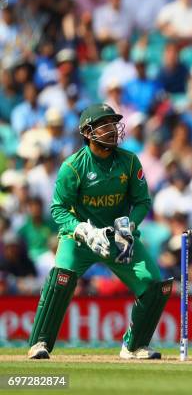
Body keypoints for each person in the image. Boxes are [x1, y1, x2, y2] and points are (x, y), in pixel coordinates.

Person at [27, 103, 172, 360]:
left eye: (113, 124)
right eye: (104, 125)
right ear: (88, 132)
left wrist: (130, 225)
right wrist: (81, 229)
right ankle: (40, 343)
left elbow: (142, 202)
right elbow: (58, 210)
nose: (112, 130)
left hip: (120, 237)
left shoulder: (129, 161)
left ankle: (134, 345)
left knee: (154, 284)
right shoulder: (73, 167)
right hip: (81, 237)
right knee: (61, 277)